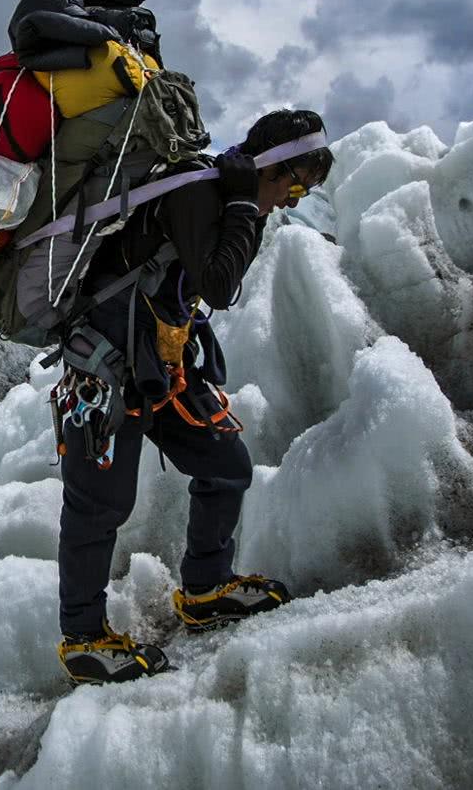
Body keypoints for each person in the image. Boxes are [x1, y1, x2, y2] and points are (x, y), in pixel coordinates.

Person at [55, 109, 334, 685]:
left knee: (226, 465)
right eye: (296, 183)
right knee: (98, 505)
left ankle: (205, 588)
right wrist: (238, 207)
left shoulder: (224, 197)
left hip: (157, 367)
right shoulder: (200, 194)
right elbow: (219, 285)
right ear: (272, 165)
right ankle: (84, 640)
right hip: (104, 370)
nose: (293, 199)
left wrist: (242, 208)